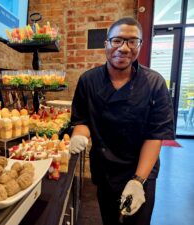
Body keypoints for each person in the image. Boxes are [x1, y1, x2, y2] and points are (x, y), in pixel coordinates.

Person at [69, 17, 174, 225]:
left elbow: (155, 136)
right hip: (105, 169)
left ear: (140, 46)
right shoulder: (88, 81)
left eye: (132, 41)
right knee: (109, 220)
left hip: (140, 169)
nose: (124, 48)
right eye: (117, 40)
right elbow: (82, 119)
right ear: (106, 43)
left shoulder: (154, 83)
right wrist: (79, 135)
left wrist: (138, 181)